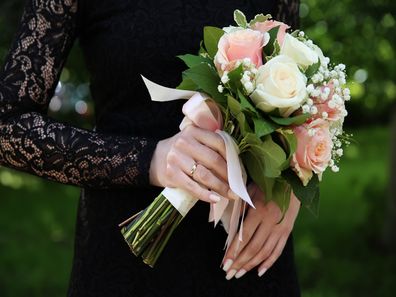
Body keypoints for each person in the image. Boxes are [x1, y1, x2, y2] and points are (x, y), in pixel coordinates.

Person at [0, 0, 302, 296]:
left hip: (249, 248)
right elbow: (8, 127)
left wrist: (290, 186)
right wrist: (152, 159)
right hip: (128, 255)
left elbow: (304, 81)